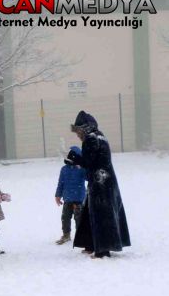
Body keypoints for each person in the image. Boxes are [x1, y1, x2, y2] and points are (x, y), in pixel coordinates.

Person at [68, 110, 131, 258]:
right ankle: (90, 244)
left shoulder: (90, 139)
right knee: (93, 213)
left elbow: (88, 162)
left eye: (78, 130)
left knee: (101, 214)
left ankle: (102, 249)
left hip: (100, 182)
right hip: (106, 180)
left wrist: (74, 158)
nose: (77, 134)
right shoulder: (100, 136)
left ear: (84, 128)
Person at [54, 146, 86, 245]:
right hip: (67, 199)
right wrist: (58, 195)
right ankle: (66, 234)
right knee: (65, 218)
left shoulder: (81, 169)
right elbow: (61, 183)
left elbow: (88, 178)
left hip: (79, 199)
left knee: (79, 218)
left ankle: (81, 236)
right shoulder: (64, 169)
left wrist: (83, 167)